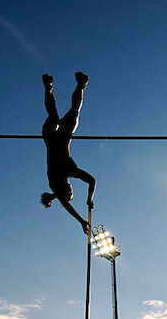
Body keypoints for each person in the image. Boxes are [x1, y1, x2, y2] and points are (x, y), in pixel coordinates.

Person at [41, 72, 96, 234]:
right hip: (60, 136)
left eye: (71, 191)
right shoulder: (66, 175)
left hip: (53, 137)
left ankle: (54, 87)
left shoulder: (60, 179)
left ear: (68, 188)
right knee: (67, 113)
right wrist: (89, 200)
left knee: (56, 115)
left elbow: (68, 204)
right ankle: (77, 84)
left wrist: (86, 206)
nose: (73, 190)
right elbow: (92, 181)